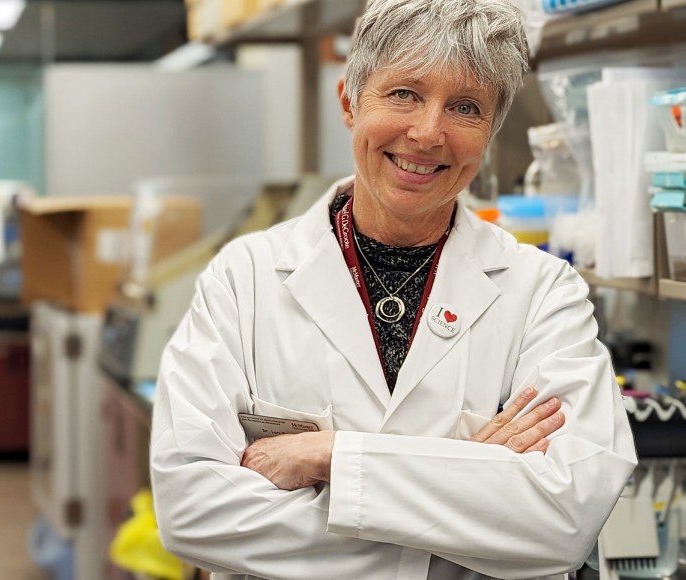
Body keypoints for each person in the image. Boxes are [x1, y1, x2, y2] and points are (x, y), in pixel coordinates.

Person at [149, 0, 637, 578]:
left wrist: (330, 457)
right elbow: (192, 511)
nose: (429, 133)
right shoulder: (244, 279)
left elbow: (566, 518)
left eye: (465, 107)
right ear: (350, 103)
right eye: (404, 93)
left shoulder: (542, 293)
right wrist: (466, 483)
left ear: (490, 132)